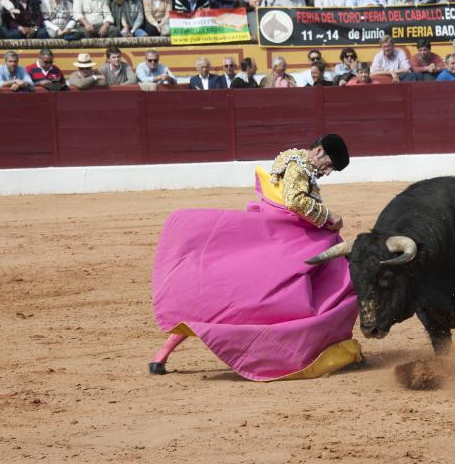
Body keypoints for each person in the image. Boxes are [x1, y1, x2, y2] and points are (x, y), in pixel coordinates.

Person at [149, 134, 361, 381]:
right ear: (320, 152)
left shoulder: (294, 160)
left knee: (219, 302)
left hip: (279, 239)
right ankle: (314, 348)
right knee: (333, 282)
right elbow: (294, 201)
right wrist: (328, 217)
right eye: (328, 166)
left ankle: (161, 354)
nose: (327, 173)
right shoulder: (299, 166)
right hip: (285, 245)